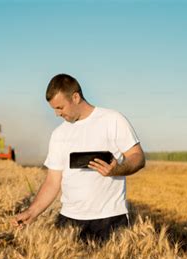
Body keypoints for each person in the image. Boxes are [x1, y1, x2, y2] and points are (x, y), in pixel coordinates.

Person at [11, 74, 145, 243]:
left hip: (109, 220)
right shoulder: (59, 134)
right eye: (54, 109)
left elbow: (138, 157)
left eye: (60, 107)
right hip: (69, 221)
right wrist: (32, 212)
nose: (57, 114)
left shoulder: (112, 120)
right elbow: (53, 181)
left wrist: (117, 169)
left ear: (75, 97)